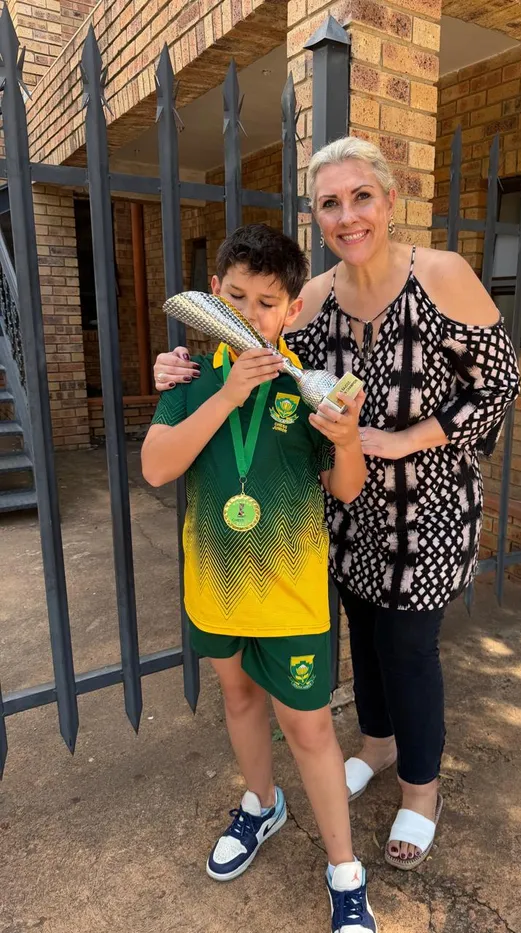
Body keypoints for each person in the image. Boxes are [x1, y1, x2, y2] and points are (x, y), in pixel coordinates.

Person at [152, 138, 521, 871]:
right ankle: (377, 746)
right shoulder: (313, 295)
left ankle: (421, 791)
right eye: (330, 203)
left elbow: (498, 385)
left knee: (408, 648)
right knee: (365, 637)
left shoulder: (441, 274)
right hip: (344, 506)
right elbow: (252, 345)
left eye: (361, 197)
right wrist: (177, 367)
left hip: (426, 505)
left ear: (388, 200)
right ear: (317, 214)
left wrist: (401, 439)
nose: (347, 215)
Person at [142, 224, 376, 933]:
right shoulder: (189, 376)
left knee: (309, 727)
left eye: (267, 303)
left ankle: (344, 870)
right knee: (239, 698)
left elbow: (346, 488)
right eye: (236, 297)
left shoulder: (310, 388)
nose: (250, 313)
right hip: (215, 587)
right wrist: (224, 396)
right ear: (214, 292)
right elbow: (157, 468)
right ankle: (261, 804)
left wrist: (347, 439)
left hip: (292, 594)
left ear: (292, 310)